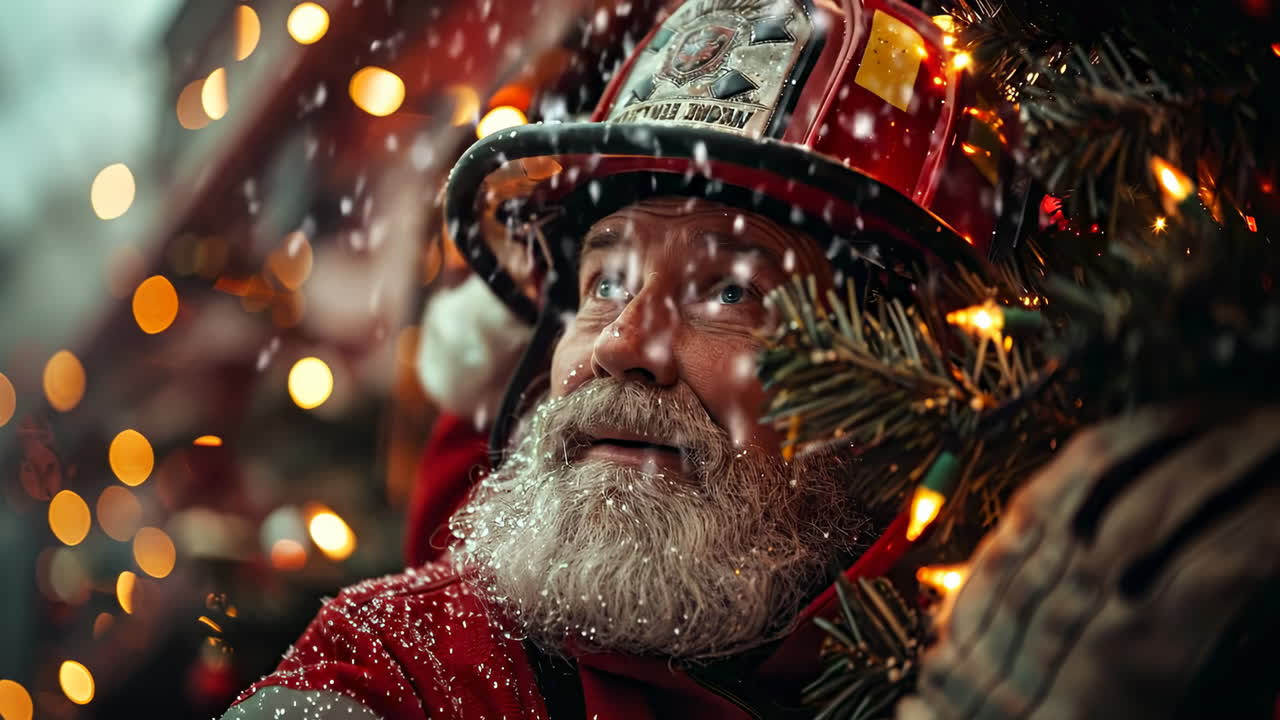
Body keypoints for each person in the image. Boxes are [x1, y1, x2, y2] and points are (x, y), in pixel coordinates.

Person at [223, 0, 1006, 716]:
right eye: (607, 280)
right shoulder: (403, 666)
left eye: (730, 292)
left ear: (898, 378)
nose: (621, 343)